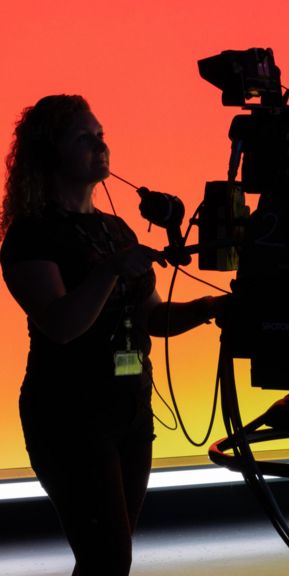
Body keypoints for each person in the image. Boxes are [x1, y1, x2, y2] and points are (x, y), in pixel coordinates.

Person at [0, 94, 222, 576]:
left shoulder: (116, 229)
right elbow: (60, 326)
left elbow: (151, 320)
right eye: (84, 138)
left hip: (130, 412)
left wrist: (210, 308)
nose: (100, 147)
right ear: (50, 151)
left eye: (101, 137)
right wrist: (110, 271)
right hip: (69, 417)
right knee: (108, 559)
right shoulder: (31, 235)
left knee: (106, 558)